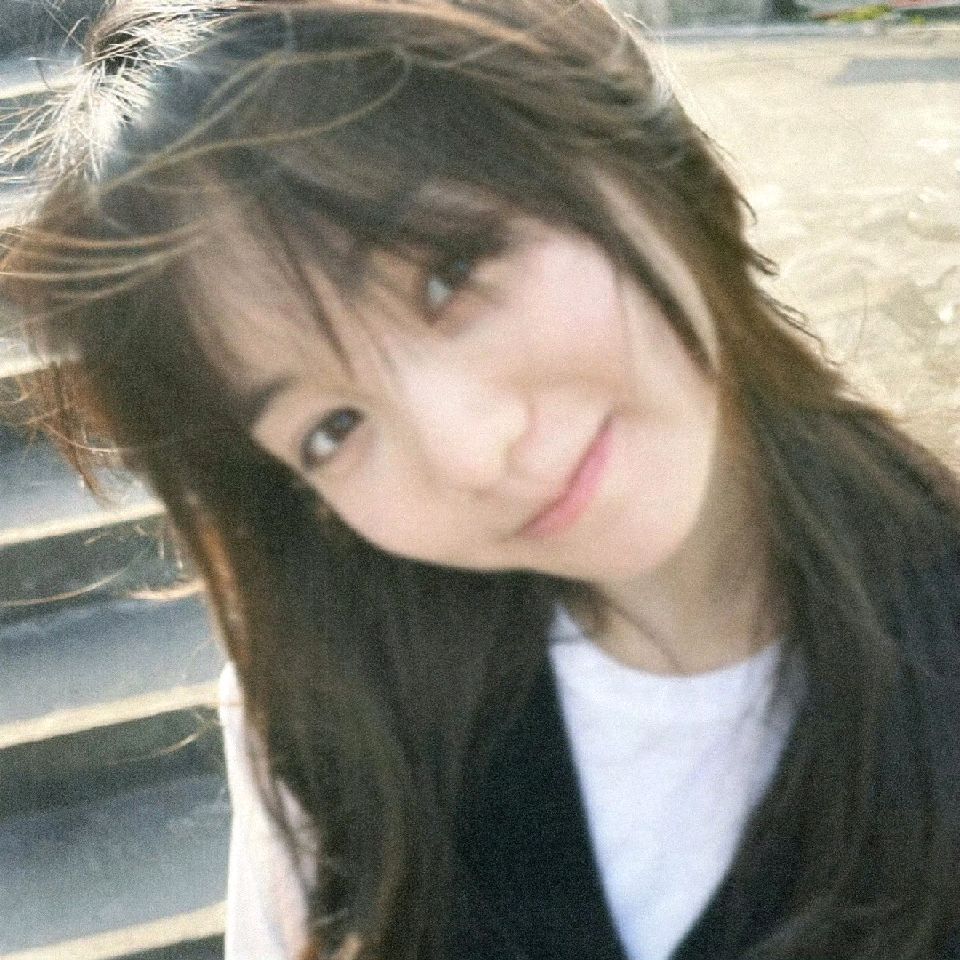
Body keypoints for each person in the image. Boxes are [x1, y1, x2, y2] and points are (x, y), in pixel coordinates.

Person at [2, 1, 959, 958]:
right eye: (332, 429)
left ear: (620, 146)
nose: (468, 452)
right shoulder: (327, 722)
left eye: (450, 275)